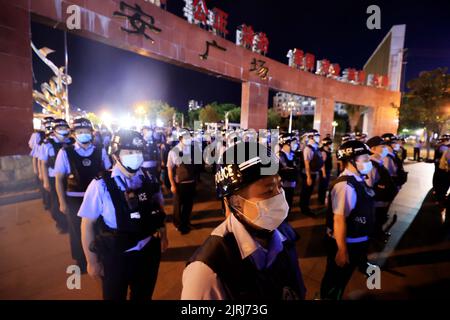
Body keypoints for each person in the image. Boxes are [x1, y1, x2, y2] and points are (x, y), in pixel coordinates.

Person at [181, 141, 306, 300]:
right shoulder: (208, 270)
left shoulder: (284, 234)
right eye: (268, 190)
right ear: (235, 202)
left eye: (279, 187)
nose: (279, 196)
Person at [79, 129, 168, 300]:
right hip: (116, 256)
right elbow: (87, 224)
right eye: (129, 152)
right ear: (116, 155)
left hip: (148, 251)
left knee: (143, 296)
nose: (135, 156)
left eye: (138, 151)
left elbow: (159, 210)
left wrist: (164, 236)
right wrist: (92, 261)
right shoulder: (101, 185)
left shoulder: (149, 179)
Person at [320, 140, 375, 300]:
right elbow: (339, 219)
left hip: (357, 241)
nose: (368, 162)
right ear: (351, 161)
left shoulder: (357, 180)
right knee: (335, 280)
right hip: (348, 243)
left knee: (341, 279)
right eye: (364, 159)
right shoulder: (345, 186)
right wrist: (342, 250)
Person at [54, 118, 112, 272]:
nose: (83, 134)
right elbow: (59, 178)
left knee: (101, 228)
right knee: (77, 230)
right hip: (75, 197)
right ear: (74, 134)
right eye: (80, 132)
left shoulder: (101, 150)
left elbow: (108, 172)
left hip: (98, 197)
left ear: (92, 133)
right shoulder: (65, 152)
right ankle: (81, 259)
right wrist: (61, 201)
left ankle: (101, 257)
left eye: (86, 131)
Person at [39, 119, 74, 233]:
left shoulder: (72, 142)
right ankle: (61, 223)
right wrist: (45, 181)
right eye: (60, 129)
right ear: (54, 131)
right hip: (54, 177)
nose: (63, 131)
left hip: (70, 177)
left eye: (65, 128)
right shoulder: (47, 144)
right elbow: (43, 163)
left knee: (70, 201)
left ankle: (70, 222)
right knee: (57, 201)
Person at [366, 136, 398, 243]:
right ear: (373, 149)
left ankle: (378, 235)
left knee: (379, 221)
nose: (385, 149)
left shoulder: (378, 162)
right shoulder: (371, 165)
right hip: (376, 203)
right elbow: (368, 187)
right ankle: (374, 240)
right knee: (376, 222)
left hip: (382, 202)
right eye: (383, 146)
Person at [167, 130, 199, 234]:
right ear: (181, 139)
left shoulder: (192, 150)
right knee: (178, 205)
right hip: (179, 184)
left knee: (188, 205)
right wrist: (172, 184)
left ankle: (186, 222)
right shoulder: (173, 151)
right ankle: (178, 224)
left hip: (191, 182)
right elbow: (170, 169)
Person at [300, 130, 324, 216]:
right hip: (308, 174)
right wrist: (308, 177)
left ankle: (306, 207)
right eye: (316, 136)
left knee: (309, 192)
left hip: (313, 173)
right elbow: (307, 164)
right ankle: (304, 209)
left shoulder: (315, 147)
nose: (318, 137)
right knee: (305, 192)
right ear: (311, 137)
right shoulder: (308, 149)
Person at [277, 134, 298, 216]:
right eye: (293, 142)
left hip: (292, 182)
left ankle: (287, 215)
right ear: (286, 143)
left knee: (290, 200)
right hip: (283, 183)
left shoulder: (293, 154)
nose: (296, 144)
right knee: (283, 201)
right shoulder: (279, 155)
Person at [318, 137, 333, 205]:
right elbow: (322, 163)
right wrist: (324, 173)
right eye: (330, 143)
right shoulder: (323, 152)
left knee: (324, 185)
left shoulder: (328, 150)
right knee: (323, 186)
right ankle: (321, 200)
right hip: (325, 171)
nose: (331, 145)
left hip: (327, 170)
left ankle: (321, 198)